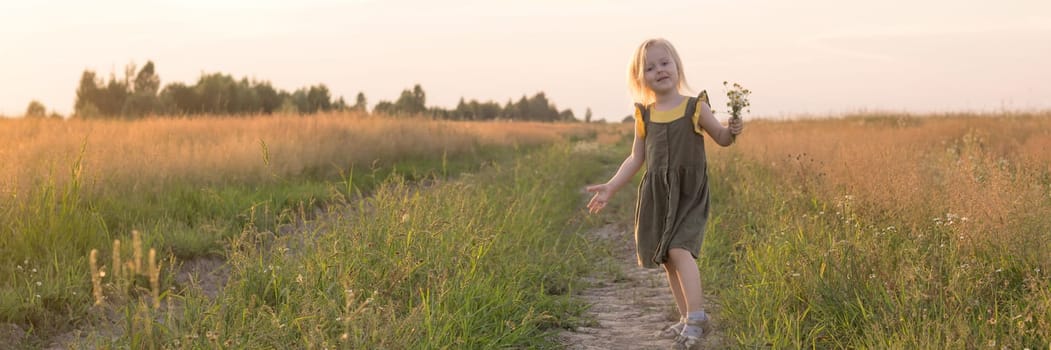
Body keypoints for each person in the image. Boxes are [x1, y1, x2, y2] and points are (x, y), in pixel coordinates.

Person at [585, 38, 743, 348]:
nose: (659, 70)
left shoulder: (695, 107)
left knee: (679, 249)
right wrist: (611, 187)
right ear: (640, 78)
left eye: (664, 63)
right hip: (659, 193)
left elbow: (722, 138)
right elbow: (636, 157)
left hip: (689, 192)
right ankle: (686, 319)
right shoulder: (645, 115)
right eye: (650, 67)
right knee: (667, 258)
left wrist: (732, 129)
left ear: (677, 66)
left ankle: (698, 318)